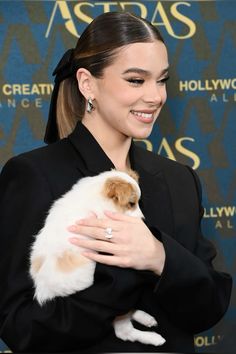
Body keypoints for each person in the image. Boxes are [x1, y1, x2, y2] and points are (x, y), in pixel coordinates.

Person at [0, 11, 232, 353]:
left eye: (162, 79)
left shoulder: (179, 179)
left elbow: (209, 307)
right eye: (136, 80)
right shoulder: (34, 175)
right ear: (87, 83)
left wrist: (158, 257)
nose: (155, 97)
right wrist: (123, 273)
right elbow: (21, 327)